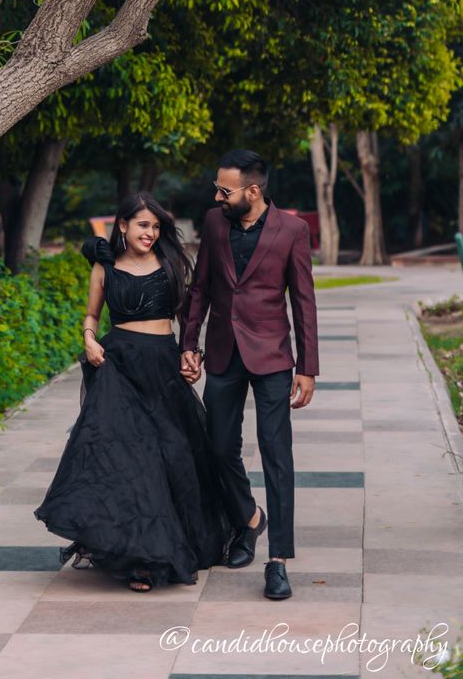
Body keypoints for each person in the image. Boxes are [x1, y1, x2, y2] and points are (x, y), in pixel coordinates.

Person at [35, 192, 232, 591]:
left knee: (174, 453)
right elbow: (92, 314)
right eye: (143, 224)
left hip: (161, 365)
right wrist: (90, 339)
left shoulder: (171, 263)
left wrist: (190, 355)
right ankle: (143, 559)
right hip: (118, 365)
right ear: (122, 225)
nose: (151, 232)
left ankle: (180, 540)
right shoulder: (104, 267)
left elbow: (187, 321)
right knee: (130, 460)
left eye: (156, 226)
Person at [179, 149, 319, 602]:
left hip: (273, 357)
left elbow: (303, 302)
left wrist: (308, 368)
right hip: (222, 353)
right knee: (219, 447)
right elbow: (199, 289)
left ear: (253, 191)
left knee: (277, 454)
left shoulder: (293, 230)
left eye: (225, 189)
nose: (217, 195)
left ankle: (277, 560)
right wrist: (189, 344)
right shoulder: (215, 222)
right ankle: (249, 519)